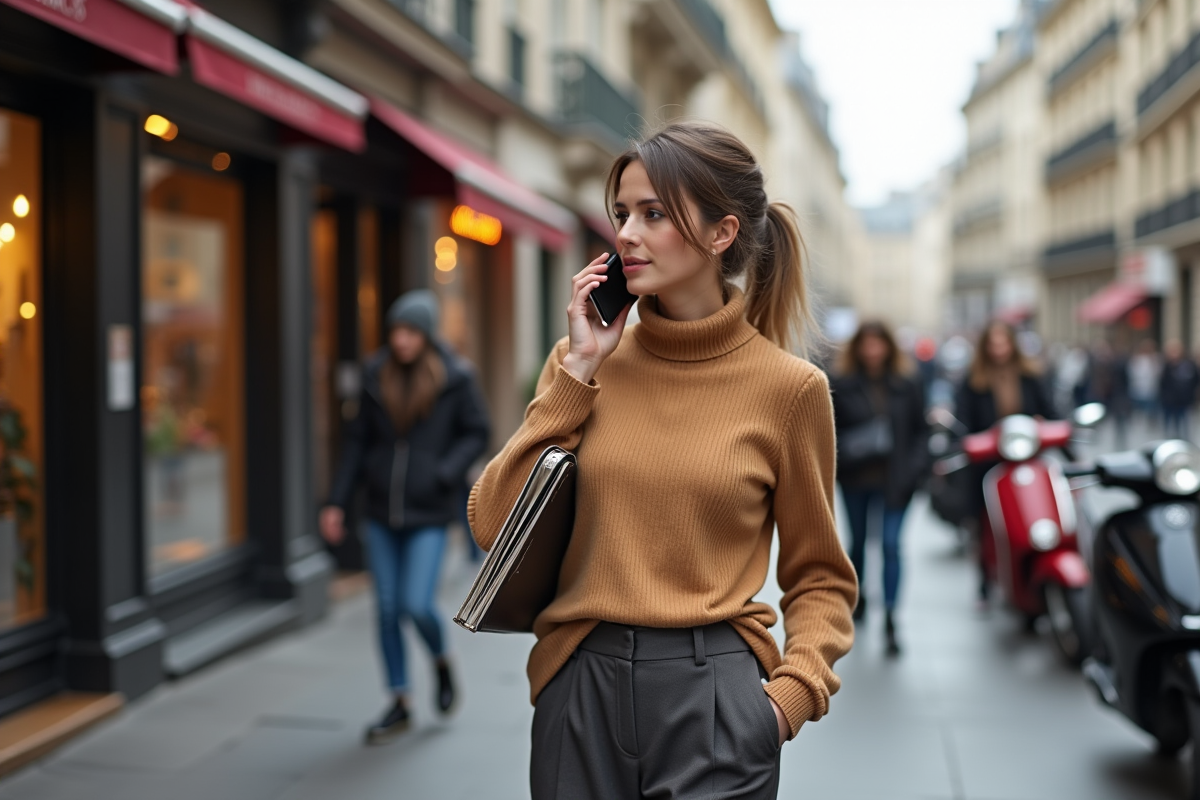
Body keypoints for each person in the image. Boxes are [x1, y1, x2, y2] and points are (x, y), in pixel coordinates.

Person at [469, 121, 857, 799]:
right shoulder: (581, 364)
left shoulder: (789, 390)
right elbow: (492, 524)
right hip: (579, 689)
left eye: (653, 214)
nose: (625, 234)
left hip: (717, 704)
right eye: (622, 213)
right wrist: (579, 373)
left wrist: (785, 702)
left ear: (721, 233)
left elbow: (821, 576)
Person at [320, 290, 490, 744]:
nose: (401, 341)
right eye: (396, 331)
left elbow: (478, 432)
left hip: (428, 513)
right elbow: (355, 444)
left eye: (410, 332)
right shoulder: (376, 374)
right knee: (387, 610)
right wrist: (336, 501)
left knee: (417, 604)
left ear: (427, 334)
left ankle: (440, 660)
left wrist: (445, 471)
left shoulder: (455, 377)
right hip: (379, 513)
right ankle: (400, 700)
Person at [831, 322, 928, 656]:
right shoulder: (841, 384)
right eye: (866, 345)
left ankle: (890, 616)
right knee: (857, 545)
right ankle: (860, 600)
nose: (872, 352)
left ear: (888, 347)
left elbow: (921, 431)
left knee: (890, 545)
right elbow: (828, 432)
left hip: (896, 482)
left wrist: (915, 469)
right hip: (856, 479)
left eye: (878, 345)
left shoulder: (906, 384)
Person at [956, 320, 1054, 606]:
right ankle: (985, 580)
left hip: (1027, 460)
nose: (999, 349)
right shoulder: (974, 380)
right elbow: (964, 422)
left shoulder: (1030, 375)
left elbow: (1050, 411)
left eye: (1004, 342)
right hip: (988, 464)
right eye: (993, 344)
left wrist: (1044, 424)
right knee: (986, 523)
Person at [1159, 340, 1199, 440]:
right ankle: (1169, 439)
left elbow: (1195, 380)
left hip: (1183, 399)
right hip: (1169, 399)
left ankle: (1184, 439)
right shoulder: (1166, 365)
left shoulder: (1188, 364)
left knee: (1183, 421)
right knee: (1169, 422)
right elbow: (1162, 383)